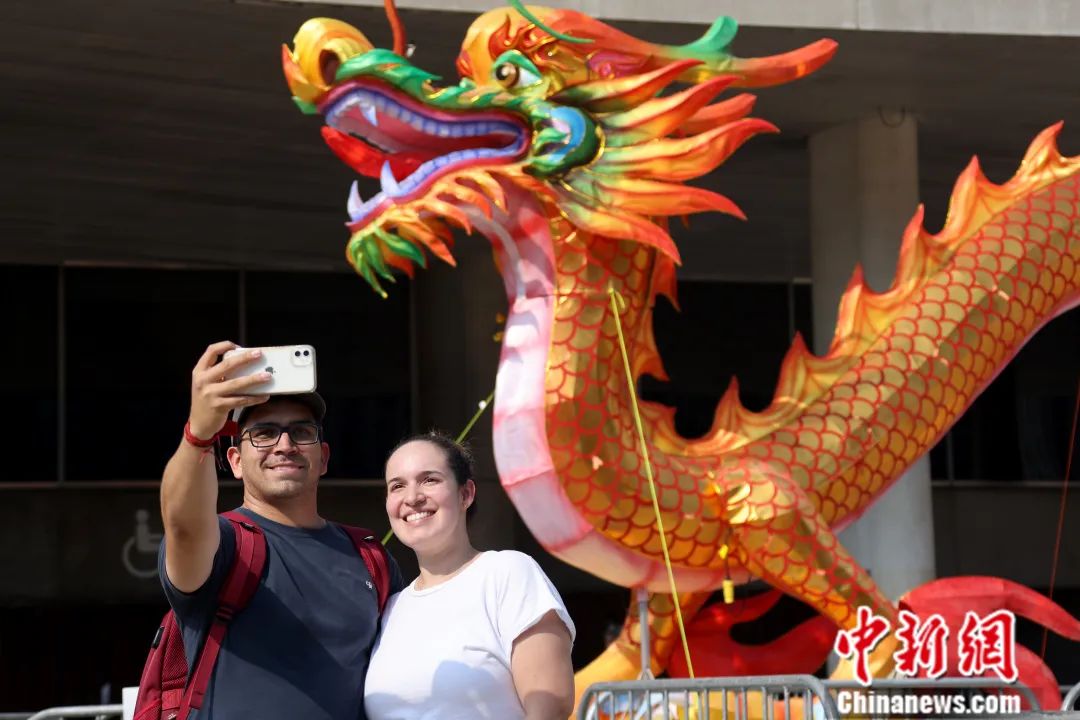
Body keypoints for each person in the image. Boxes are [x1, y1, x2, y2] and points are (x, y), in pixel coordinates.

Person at [158, 340, 403, 719]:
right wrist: (199, 434)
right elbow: (182, 526)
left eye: (302, 432)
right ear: (235, 461)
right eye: (264, 433)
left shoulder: (370, 557)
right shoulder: (224, 542)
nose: (285, 445)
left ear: (323, 458)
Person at [364, 432, 576, 720]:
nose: (412, 498)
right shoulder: (391, 607)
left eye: (429, 480)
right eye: (398, 486)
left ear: (465, 494)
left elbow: (550, 706)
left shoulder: (507, 573)